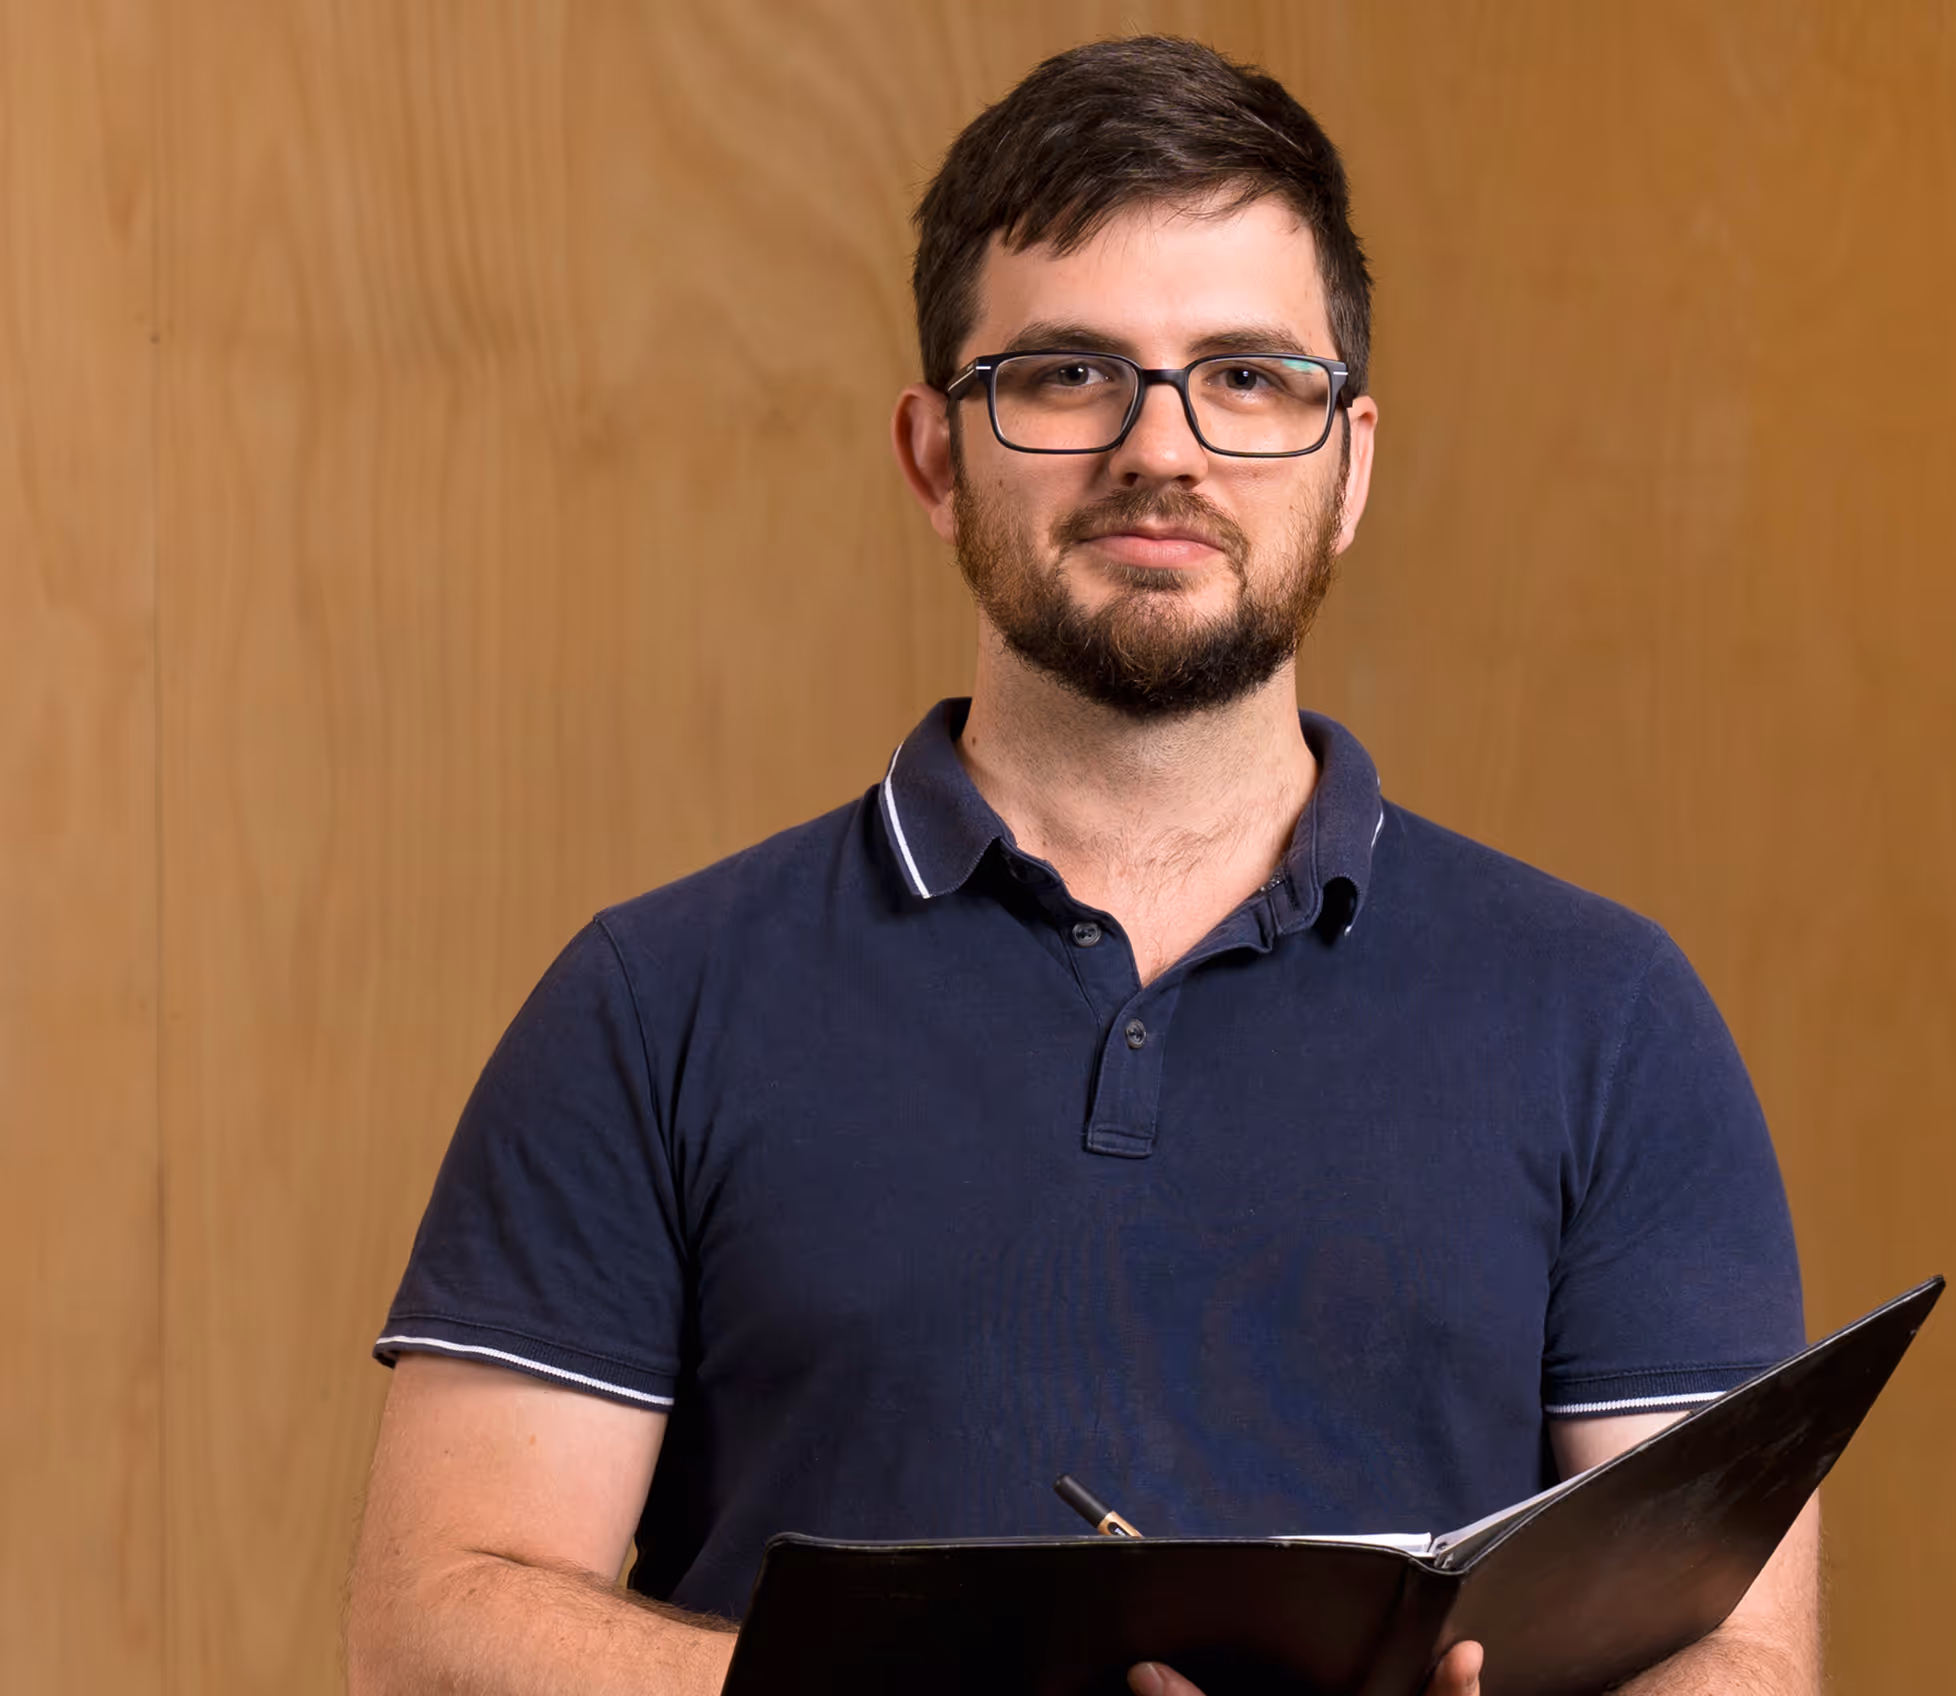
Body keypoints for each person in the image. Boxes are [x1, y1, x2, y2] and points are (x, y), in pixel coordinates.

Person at [348, 35, 1818, 1696]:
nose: (1163, 450)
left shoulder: (1609, 1016)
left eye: (1251, 378)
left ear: (1350, 471)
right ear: (932, 454)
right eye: (1067, 374)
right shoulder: (652, 1003)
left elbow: (1741, 1652)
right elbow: (436, 1630)